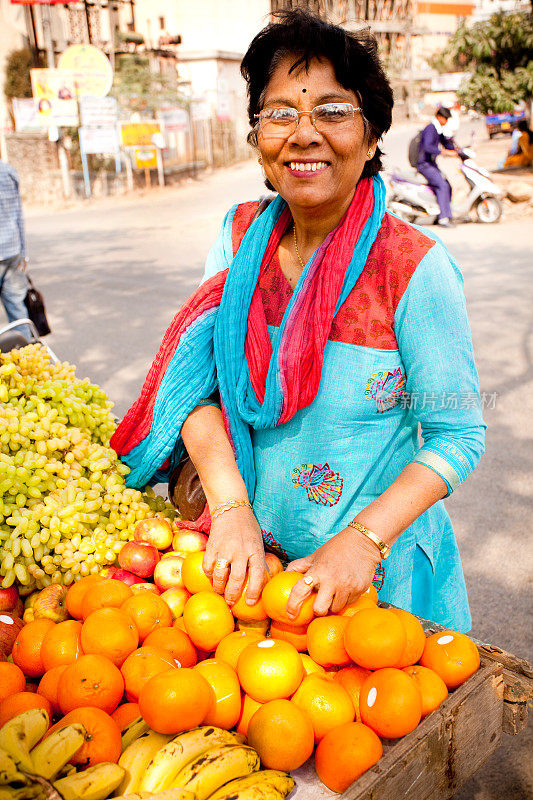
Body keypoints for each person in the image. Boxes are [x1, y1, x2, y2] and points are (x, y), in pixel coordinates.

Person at [111, 10, 485, 633]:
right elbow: (196, 390)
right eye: (281, 113)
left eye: (333, 112)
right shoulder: (238, 239)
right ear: (259, 138)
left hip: (375, 585)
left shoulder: (412, 266)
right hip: (251, 566)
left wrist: (364, 541)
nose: (304, 134)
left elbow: (458, 435)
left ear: (370, 139)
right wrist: (230, 506)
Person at [0, 160, 31, 340]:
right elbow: (19, 214)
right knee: (18, 312)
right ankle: (28, 360)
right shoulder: (9, 171)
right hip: (12, 251)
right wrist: (24, 252)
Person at [416, 106, 459, 227]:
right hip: (424, 164)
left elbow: (445, 142)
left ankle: (443, 213)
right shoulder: (430, 128)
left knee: (448, 185)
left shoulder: (437, 129)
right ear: (439, 117)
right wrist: (445, 152)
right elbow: (428, 147)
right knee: (442, 185)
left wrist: (456, 149)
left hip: (431, 164)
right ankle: (444, 218)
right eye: (445, 118)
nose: (446, 121)